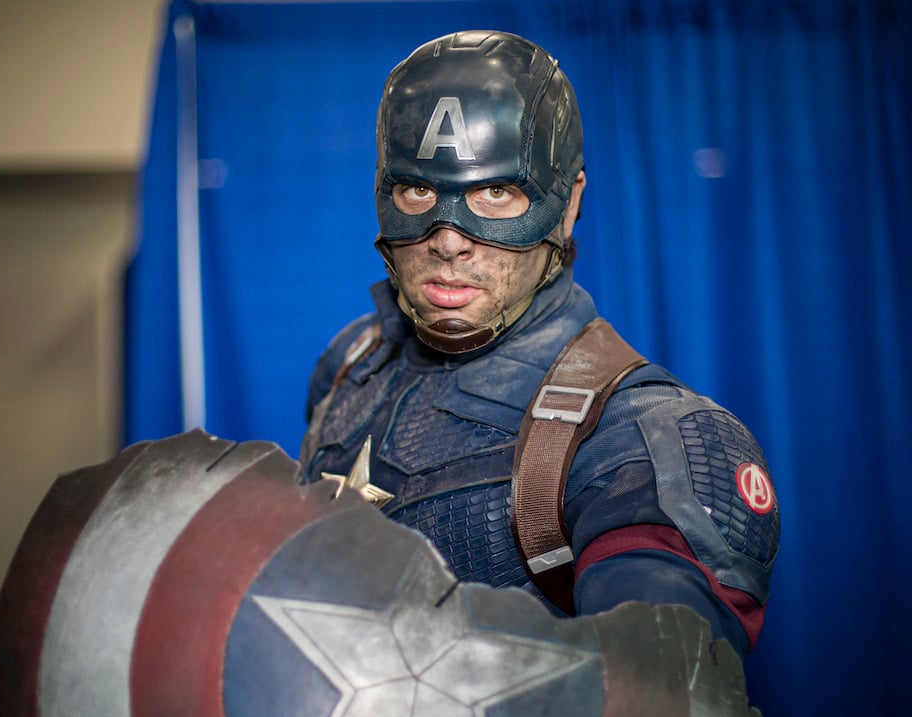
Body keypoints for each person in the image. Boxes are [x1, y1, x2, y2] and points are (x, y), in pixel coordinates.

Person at [299, 29, 779, 658]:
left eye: (495, 192)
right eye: (417, 190)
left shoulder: (645, 441)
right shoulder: (353, 364)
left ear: (568, 203)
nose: (447, 240)